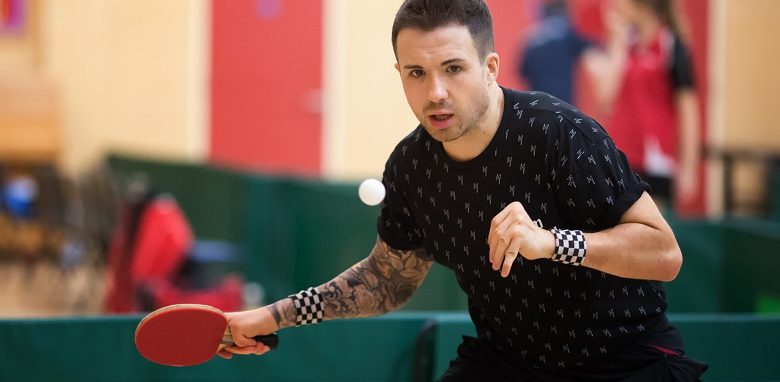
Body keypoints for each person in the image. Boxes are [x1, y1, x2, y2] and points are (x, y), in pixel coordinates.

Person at [221, 0, 707, 380]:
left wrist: (555, 243)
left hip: (625, 361)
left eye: (453, 68)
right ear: (401, 76)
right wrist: (274, 315)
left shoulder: (561, 134)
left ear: (490, 67)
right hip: (508, 363)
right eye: (417, 73)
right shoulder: (412, 166)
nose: (435, 92)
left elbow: (665, 253)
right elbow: (387, 280)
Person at [585, 0, 701, 209]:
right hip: (622, 159)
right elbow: (605, 99)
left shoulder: (671, 46)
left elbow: (688, 111)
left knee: (652, 233)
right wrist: (617, 45)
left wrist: (688, 167)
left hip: (657, 162)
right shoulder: (622, 45)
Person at [519, 0, 593, 105]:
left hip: (539, 103)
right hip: (564, 104)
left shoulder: (531, 40)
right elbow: (591, 49)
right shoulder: (567, 34)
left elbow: (522, 71)